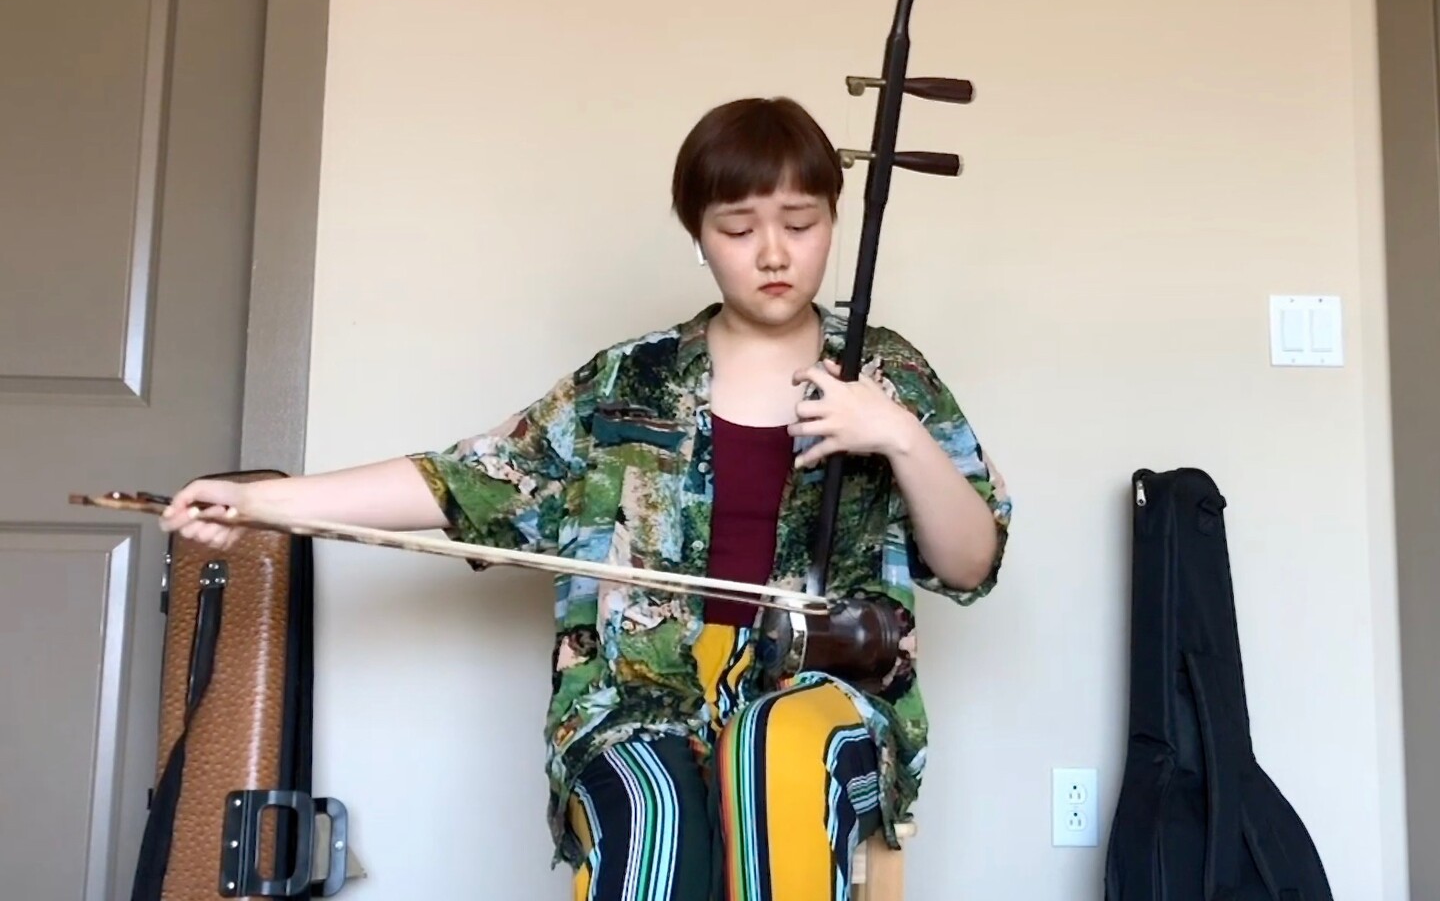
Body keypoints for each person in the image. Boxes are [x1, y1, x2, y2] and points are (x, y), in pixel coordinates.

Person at [160, 96, 1012, 900]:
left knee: (774, 756)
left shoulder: (885, 372)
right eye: (738, 228)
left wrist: (899, 433)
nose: (774, 254)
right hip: (636, 689)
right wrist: (270, 505)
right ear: (698, 236)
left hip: (824, 690)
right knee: (657, 812)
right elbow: (469, 478)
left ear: (834, 220)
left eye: (800, 224)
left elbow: (971, 560)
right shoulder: (624, 381)